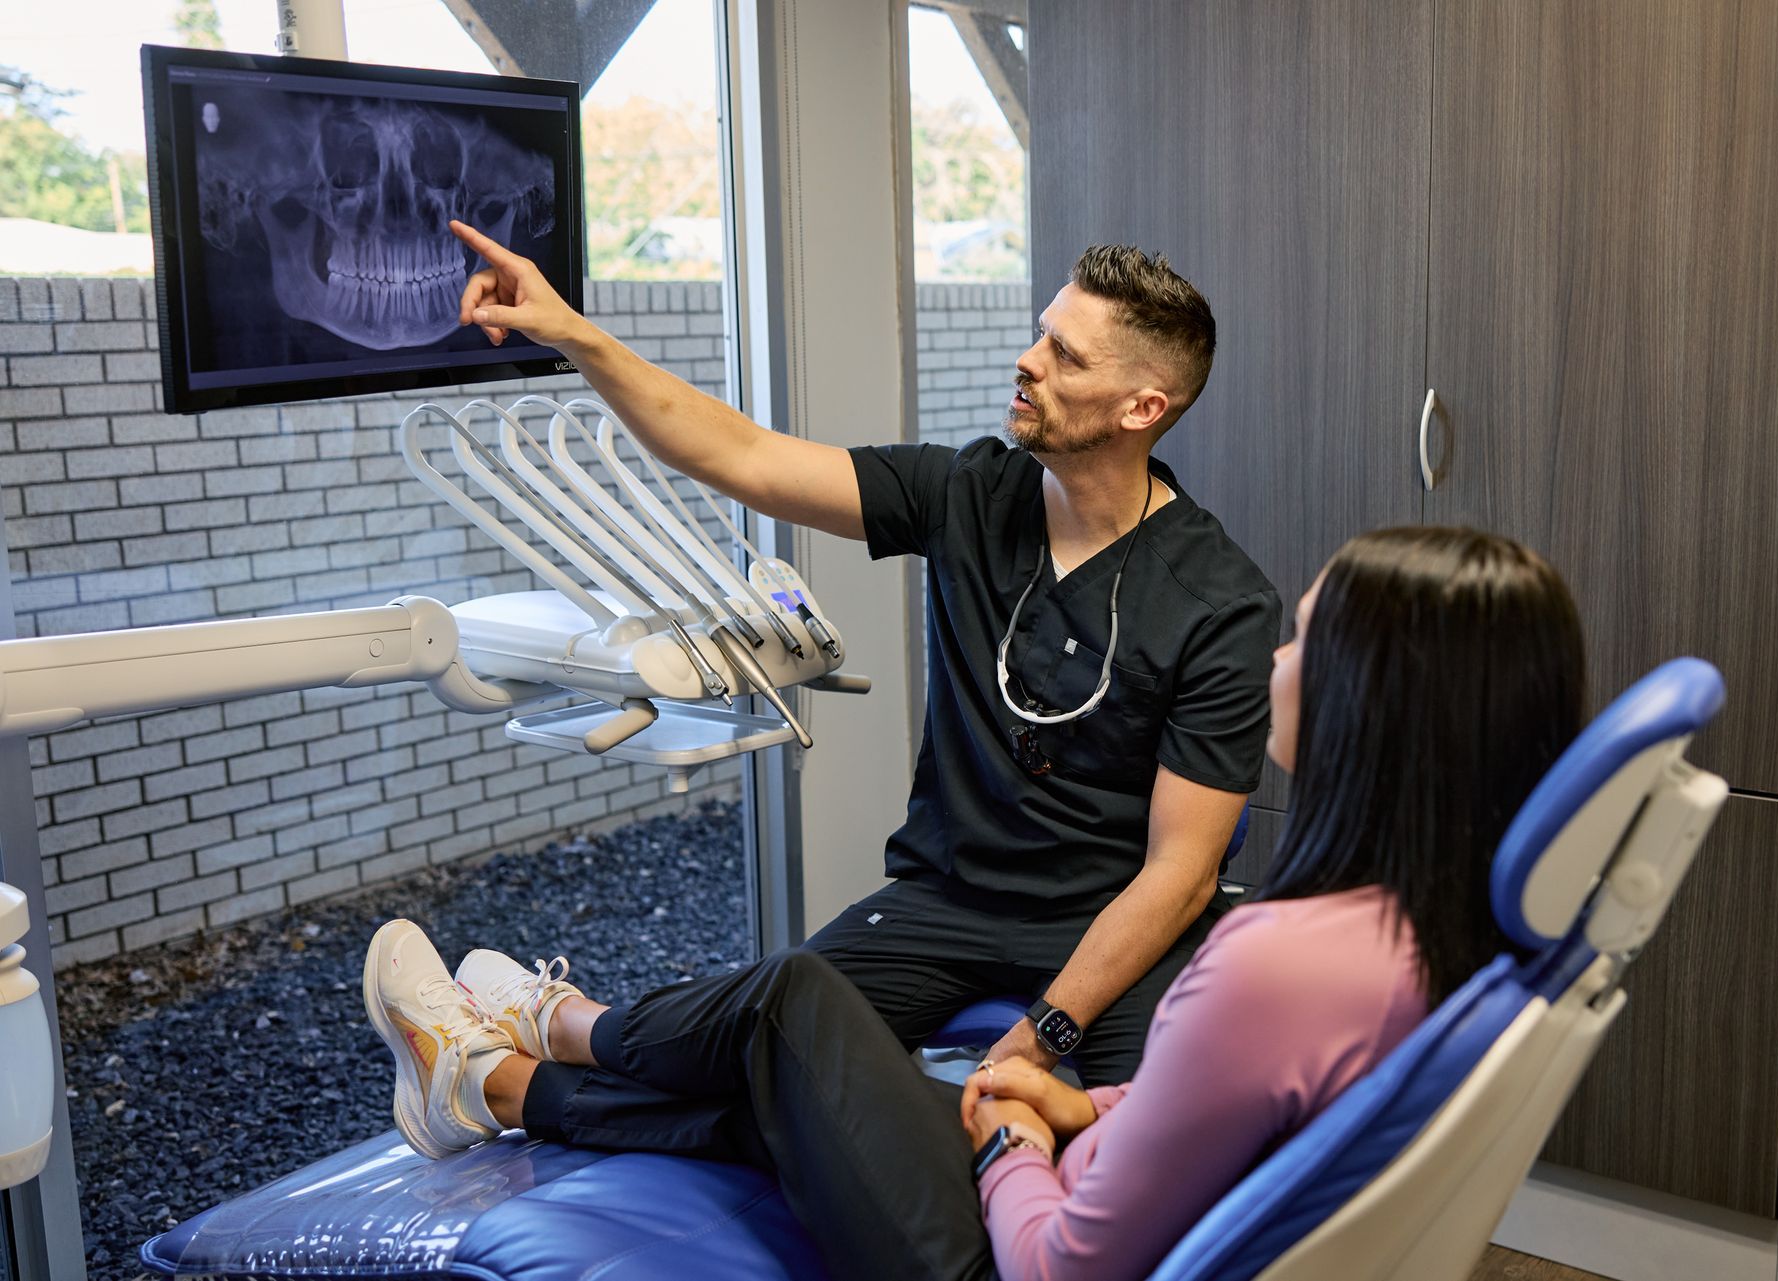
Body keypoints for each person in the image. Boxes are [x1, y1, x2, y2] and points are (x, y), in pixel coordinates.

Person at [365, 525, 1587, 1281]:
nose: (1273, 665)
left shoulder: (1279, 961)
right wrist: (1084, 1101)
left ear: (1380, 708)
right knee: (821, 1108)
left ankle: (543, 1034)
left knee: (797, 1004)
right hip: (1141, 1203)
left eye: (1303, 645)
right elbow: (1253, 1112)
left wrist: (1015, 1137)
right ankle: (493, 1083)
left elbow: (1061, 1266)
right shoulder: (1455, 931)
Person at [442, 218, 1282, 1085]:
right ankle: (543, 1046)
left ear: (1143, 408)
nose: (1029, 359)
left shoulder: (1220, 601)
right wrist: (572, 331)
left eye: (1065, 355)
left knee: (1145, 1147)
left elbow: (1181, 874)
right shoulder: (968, 492)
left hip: (1117, 919)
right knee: (766, 1057)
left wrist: (1046, 1030)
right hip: (945, 903)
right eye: (1040, 332)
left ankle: (518, 1084)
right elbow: (744, 455)